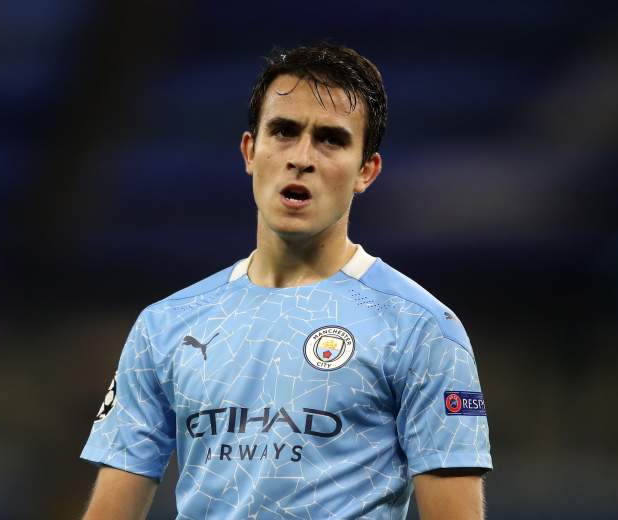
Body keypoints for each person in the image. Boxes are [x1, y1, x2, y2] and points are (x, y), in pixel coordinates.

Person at [80, 42, 492, 519]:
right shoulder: (166, 325)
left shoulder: (422, 329)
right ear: (251, 151)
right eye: (284, 131)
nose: (302, 157)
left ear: (366, 171)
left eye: (331, 139)